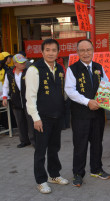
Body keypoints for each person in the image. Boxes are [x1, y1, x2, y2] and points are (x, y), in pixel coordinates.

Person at [65, 39, 110, 187]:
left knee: (97, 143)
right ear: (78, 52)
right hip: (80, 115)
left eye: (88, 50)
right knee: (80, 145)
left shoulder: (99, 67)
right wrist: (87, 102)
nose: (86, 53)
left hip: (98, 113)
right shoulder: (72, 69)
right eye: (82, 50)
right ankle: (78, 173)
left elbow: (106, 84)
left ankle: (96, 169)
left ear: (93, 51)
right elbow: (70, 90)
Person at [26, 39, 68, 194]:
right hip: (42, 118)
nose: (51, 53)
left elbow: (63, 92)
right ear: (42, 52)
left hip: (57, 116)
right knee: (40, 150)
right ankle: (41, 180)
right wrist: (35, 118)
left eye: (54, 50)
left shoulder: (60, 69)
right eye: (48, 50)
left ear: (58, 52)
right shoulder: (34, 69)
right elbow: (30, 96)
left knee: (54, 148)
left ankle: (54, 174)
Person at [2, 54, 35, 148]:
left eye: (24, 62)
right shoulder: (9, 73)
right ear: (15, 63)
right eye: (21, 62)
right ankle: (24, 140)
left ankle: (34, 141)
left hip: (28, 101)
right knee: (20, 122)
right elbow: (6, 87)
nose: (24, 64)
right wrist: (5, 97)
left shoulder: (28, 71)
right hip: (15, 101)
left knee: (31, 122)